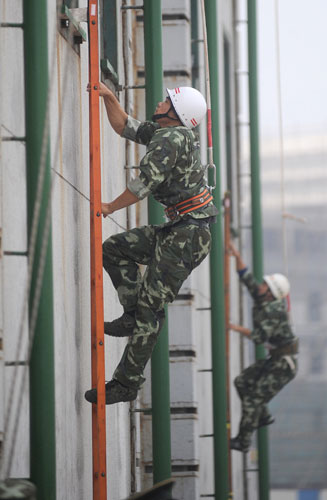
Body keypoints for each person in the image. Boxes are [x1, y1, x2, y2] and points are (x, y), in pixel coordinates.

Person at [85, 83, 217, 405]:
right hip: (181, 230)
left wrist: (109, 207)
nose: (159, 102)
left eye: (166, 101)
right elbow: (125, 126)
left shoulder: (171, 139)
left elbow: (144, 184)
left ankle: (126, 383)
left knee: (151, 310)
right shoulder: (167, 133)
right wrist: (109, 97)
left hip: (187, 235)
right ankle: (131, 313)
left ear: (176, 112)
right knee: (115, 249)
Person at [228, 242, 298, 452]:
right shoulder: (263, 296)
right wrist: (236, 254)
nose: (261, 285)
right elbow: (246, 277)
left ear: (271, 294)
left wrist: (233, 327)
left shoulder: (273, 311)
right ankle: (264, 416)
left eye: (265, 285)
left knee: (253, 399)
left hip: (284, 366)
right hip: (275, 359)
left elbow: (259, 337)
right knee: (242, 382)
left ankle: (243, 441)